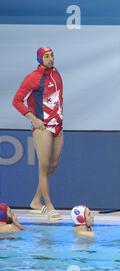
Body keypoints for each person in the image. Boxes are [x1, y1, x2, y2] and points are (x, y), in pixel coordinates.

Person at [12, 47, 63, 221]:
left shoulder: (56, 73)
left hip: (58, 125)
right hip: (43, 127)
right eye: (47, 56)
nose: (50, 59)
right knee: (44, 166)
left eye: (52, 55)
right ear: (40, 59)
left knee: (53, 166)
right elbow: (17, 101)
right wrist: (33, 119)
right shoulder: (33, 77)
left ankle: (35, 201)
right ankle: (48, 205)